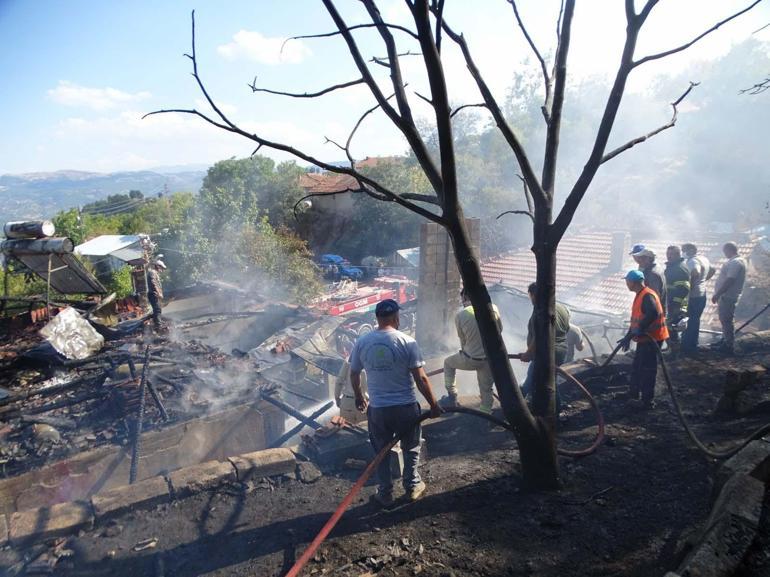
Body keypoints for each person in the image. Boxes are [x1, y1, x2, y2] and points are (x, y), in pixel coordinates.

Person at [350, 299, 442, 506]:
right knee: (411, 448)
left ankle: (385, 493)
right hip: (405, 408)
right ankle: (411, 486)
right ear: (396, 317)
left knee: (381, 451)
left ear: (377, 318)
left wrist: (359, 396)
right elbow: (421, 379)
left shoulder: (362, 342)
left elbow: (354, 373)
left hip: (379, 410)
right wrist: (434, 405)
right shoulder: (406, 341)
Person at [441, 288, 502, 413]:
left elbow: (463, 340)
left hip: (471, 359)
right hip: (489, 360)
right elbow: (499, 329)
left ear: (465, 298)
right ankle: (486, 413)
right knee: (486, 389)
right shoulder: (493, 308)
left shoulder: (461, 315)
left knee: (448, 363)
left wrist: (467, 351)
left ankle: (452, 395)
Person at [618, 269, 669, 409]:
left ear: (633, 282)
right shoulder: (640, 294)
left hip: (652, 338)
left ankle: (648, 401)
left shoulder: (647, 295)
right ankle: (633, 393)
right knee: (637, 367)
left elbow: (653, 313)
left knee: (647, 369)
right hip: (645, 338)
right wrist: (628, 336)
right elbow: (637, 319)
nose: (626, 284)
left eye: (627, 281)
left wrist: (637, 331)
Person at [518, 283, 571, 413]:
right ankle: (558, 408)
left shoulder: (541, 311)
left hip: (545, 353)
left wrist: (528, 353)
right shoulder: (562, 307)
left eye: (530, 296)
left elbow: (539, 336)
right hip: (561, 351)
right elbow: (567, 328)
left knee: (531, 379)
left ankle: (516, 406)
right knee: (549, 380)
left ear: (534, 295)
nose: (530, 299)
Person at [712, 242, 747, 354]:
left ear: (728, 250)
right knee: (724, 319)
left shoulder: (735, 262)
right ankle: (725, 340)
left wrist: (718, 294)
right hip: (727, 295)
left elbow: (730, 280)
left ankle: (728, 345)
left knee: (726, 320)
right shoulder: (739, 261)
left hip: (727, 296)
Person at [681, 243, 713, 352]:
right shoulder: (703, 258)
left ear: (691, 250)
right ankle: (692, 343)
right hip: (702, 294)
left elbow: (695, 273)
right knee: (695, 320)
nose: (683, 252)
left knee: (689, 320)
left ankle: (687, 346)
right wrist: (703, 282)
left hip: (694, 296)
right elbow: (712, 270)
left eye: (684, 250)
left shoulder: (692, 261)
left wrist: (690, 288)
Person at [663, 245, 691, 350]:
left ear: (678, 255)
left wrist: (676, 306)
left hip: (675, 305)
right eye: (668, 254)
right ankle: (670, 348)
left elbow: (683, 289)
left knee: (672, 327)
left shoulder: (679, 269)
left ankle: (673, 352)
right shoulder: (672, 267)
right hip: (670, 303)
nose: (669, 256)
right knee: (669, 327)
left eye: (672, 254)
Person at [630, 244, 667, 315]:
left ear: (649, 259)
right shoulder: (652, 269)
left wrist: (646, 317)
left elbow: (653, 298)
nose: (639, 260)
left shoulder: (652, 274)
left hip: (653, 314)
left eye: (642, 258)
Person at [334, 358, 368, 425]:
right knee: (362, 431)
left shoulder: (348, 360)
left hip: (347, 402)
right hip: (364, 402)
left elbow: (339, 382)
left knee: (347, 431)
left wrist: (337, 397)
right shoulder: (369, 359)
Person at [146, 260, 166, 329]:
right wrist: (159, 293)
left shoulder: (155, 273)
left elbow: (157, 284)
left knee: (158, 309)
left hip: (155, 294)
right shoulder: (152, 272)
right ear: (157, 266)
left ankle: (157, 323)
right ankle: (158, 326)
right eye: (162, 268)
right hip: (153, 294)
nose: (162, 270)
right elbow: (153, 283)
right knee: (157, 309)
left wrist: (160, 293)